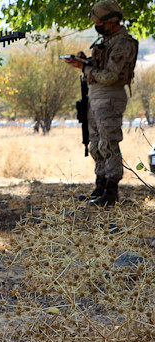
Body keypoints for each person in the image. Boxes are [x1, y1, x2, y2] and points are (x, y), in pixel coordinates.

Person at [64, 0, 138, 206]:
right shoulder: (108, 40)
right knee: (96, 143)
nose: (97, 27)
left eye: (100, 23)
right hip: (95, 95)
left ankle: (111, 192)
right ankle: (100, 186)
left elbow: (111, 76)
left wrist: (84, 68)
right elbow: (102, 68)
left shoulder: (123, 43)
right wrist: (85, 61)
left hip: (110, 96)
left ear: (111, 22)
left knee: (109, 143)